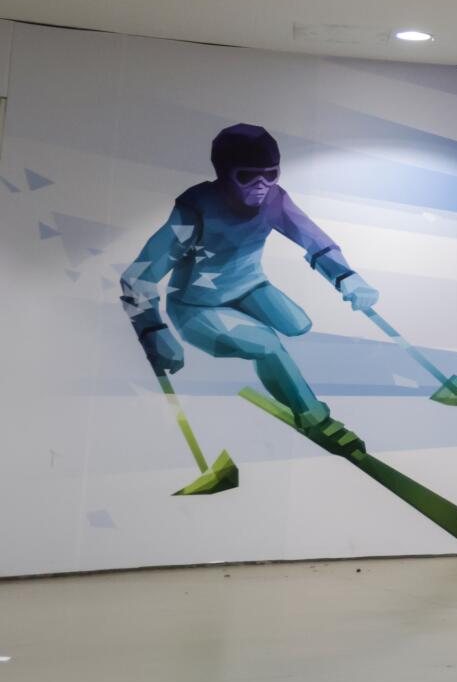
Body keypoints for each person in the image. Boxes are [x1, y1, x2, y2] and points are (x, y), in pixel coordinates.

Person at [119, 124, 376, 452]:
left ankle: (273, 368)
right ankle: (314, 418)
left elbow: (313, 238)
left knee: (298, 324)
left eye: (270, 174)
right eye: (248, 177)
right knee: (268, 345)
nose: (261, 186)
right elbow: (137, 277)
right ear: (224, 174)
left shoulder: (274, 199)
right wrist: (153, 331)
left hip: (251, 287)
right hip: (197, 305)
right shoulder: (195, 209)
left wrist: (347, 277)